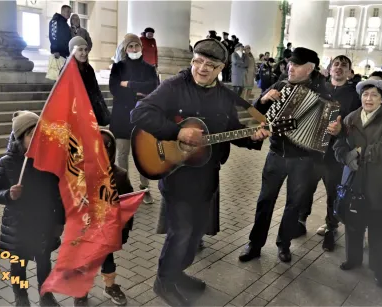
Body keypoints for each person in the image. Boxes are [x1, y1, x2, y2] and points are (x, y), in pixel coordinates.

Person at [130, 38, 270, 306]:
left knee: (195, 233)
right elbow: (139, 114)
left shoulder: (226, 97)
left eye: (210, 65)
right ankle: (164, 281)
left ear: (221, 68)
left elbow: (233, 132)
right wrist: (177, 132)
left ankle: (176, 274)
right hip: (177, 174)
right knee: (181, 232)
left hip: (207, 175)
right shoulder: (174, 86)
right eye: (197, 61)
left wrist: (254, 136)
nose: (201, 68)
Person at [238, 48, 342, 263]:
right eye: (290, 64)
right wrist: (264, 100)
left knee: (294, 204)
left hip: (304, 160)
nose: (290, 68)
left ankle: (283, 245)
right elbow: (253, 116)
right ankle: (254, 244)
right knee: (265, 200)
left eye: (296, 65)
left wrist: (335, 130)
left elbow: (328, 132)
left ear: (310, 68)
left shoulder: (325, 93)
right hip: (276, 154)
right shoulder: (280, 84)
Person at [333, 79, 382, 288]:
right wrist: (346, 157)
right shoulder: (351, 117)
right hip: (355, 179)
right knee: (354, 223)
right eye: (365, 94)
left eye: (374, 95)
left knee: (380, 229)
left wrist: (358, 152)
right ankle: (353, 259)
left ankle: (379, 269)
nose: (368, 98)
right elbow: (339, 145)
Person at [0, 111, 64, 307]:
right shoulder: (7, 162)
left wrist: (59, 222)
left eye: (39, 134)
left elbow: (57, 194)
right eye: (31, 135)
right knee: (18, 264)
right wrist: (9, 195)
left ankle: (45, 294)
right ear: (20, 137)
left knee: (44, 261)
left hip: (43, 222)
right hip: (18, 224)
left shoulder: (47, 162)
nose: (36, 139)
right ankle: (21, 296)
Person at [298, 55, 361, 251]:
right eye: (336, 64)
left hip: (334, 155)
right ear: (329, 69)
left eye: (344, 65)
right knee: (305, 189)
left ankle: (331, 228)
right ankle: (300, 221)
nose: (339, 68)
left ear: (350, 72)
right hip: (312, 151)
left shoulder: (354, 96)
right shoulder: (318, 89)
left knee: (333, 193)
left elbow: (357, 126)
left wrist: (341, 129)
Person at [73, 129, 135, 307]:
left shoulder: (120, 175)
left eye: (105, 148)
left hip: (108, 232)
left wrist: (124, 230)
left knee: (107, 259)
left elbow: (128, 204)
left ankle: (110, 286)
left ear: (112, 151)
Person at [109, 34, 158, 204]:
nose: (134, 49)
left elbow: (154, 89)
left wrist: (128, 84)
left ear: (141, 48)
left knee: (144, 155)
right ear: (125, 48)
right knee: (122, 154)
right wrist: (138, 92)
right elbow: (114, 89)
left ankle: (144, 189)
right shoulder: (118, 68)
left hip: (144, 117)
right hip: (122, 118)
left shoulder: (150, 68)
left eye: (136, 46)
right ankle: (124, 189)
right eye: (130, 47)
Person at [69, 37, 110, 126]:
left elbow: (96, 91)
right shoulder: (68, 70)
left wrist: (104, 111)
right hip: (77, 114)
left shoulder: (89, 69)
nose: (84, 53)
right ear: (73, 51)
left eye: (86, 49)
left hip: (93, 111)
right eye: (80, 50)